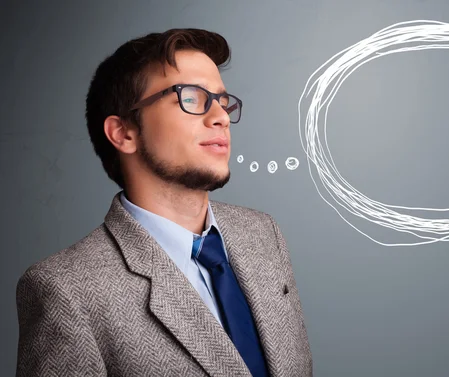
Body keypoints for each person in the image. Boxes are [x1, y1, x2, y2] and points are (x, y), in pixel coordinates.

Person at [15, 28, 312, 377]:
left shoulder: (264, 235)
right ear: (124, 133)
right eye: (192, 96)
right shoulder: (65, 290)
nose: (219, 117)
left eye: (222, 100)